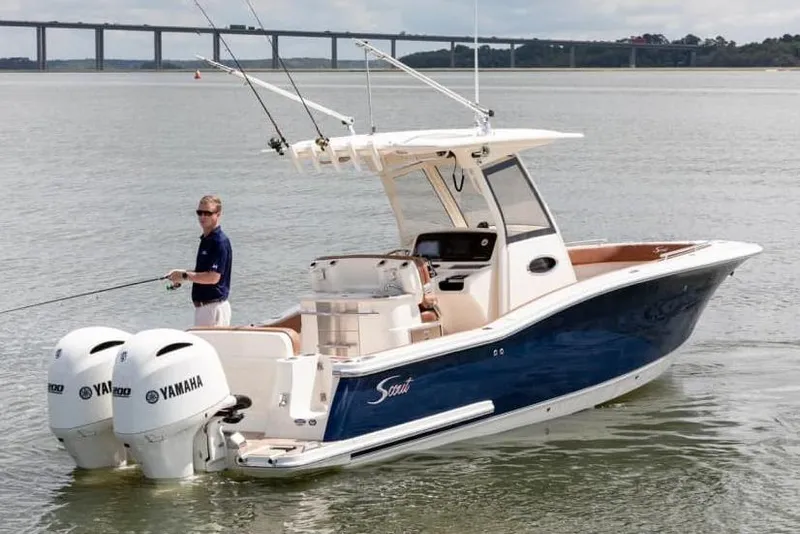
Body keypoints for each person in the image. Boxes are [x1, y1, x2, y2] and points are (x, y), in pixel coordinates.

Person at [166, 195, 233, 327]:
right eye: (199, 212)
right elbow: (202, 273)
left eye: (207, 213)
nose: (202, 217)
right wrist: (180, 275)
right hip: (204, 309)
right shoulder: (206, 240)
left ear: (218, 214)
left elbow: (213, 277)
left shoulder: (219, 242)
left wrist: (185, 275)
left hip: (213, 309)